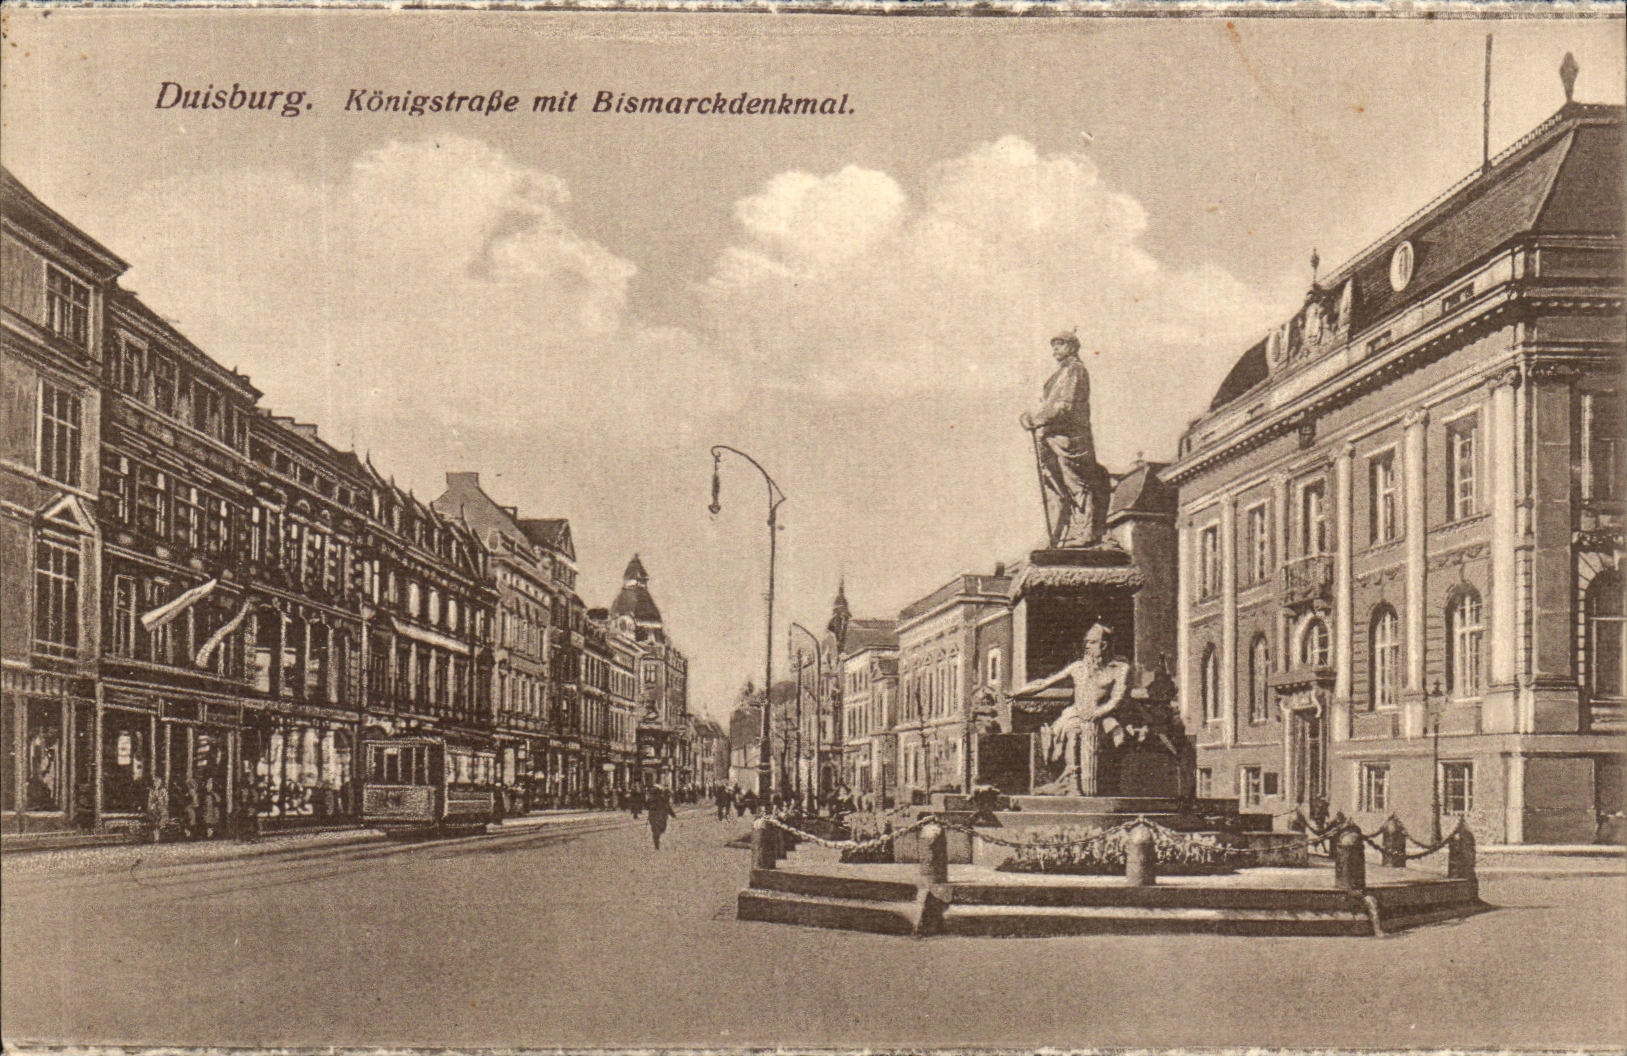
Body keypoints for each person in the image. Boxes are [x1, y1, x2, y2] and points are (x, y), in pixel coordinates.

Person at [1010, 622, 1129, 796]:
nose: (1086, 646)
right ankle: (1074, 783)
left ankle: (1105, 783)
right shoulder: (1077, 667)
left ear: (1104, 645)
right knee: (1073, 728)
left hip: (1103, 715)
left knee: (1117, 736)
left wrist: (1098, 713)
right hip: (1075, 713)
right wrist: (1016, 693)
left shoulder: (1120, 669)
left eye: (1091, 642)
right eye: (1086, 642)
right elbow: (1044, 683)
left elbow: (1117, 698)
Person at [1020, 330, 1112, 549]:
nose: (1055, 351)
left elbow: (1065, 406)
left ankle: (1086, 531)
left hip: (1070, 438)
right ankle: (1060, 533)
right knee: (1055, 484)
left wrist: (1036, 417)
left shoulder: (1075, 370)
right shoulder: (1061, 373)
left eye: (1059, 345)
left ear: (1072, 347)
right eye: (1054, 346)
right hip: (1052, 437)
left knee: (1076, 481)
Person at [645, 784, 678, 850]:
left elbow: (646, 807)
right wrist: (672, 814)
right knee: (660, 829)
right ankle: (656, 843)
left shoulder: (651, 799)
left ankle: (656, 843)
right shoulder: (662, 798)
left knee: (655, 830)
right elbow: (667, 807)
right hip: (660, 817)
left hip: (653, 817)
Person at [144, 775, 170, 844]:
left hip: (162, 808)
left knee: (161, 819)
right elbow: (149, 801)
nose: (156, 783)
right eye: (155, 782)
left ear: (160, 782)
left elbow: (166, 801)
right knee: (153, 818)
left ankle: (158, 835)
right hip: (154, 809)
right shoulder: (152, 791)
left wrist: (161, 803)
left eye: (158, 782)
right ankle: (156, 837)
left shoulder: (163, 791)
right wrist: (150, 807)